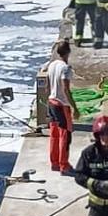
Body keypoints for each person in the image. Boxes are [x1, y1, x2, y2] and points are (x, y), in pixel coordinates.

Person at [42, 40, 79, 173]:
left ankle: (54, 163)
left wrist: (50, 97)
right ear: (68, 52)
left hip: (51, 103)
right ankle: (64, 165)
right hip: (62, 106)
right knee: (65, 136)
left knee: (54, 134)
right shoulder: (66, 68)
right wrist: (75, 107)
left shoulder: (52, 65)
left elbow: (47, 85)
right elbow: (66, 89)